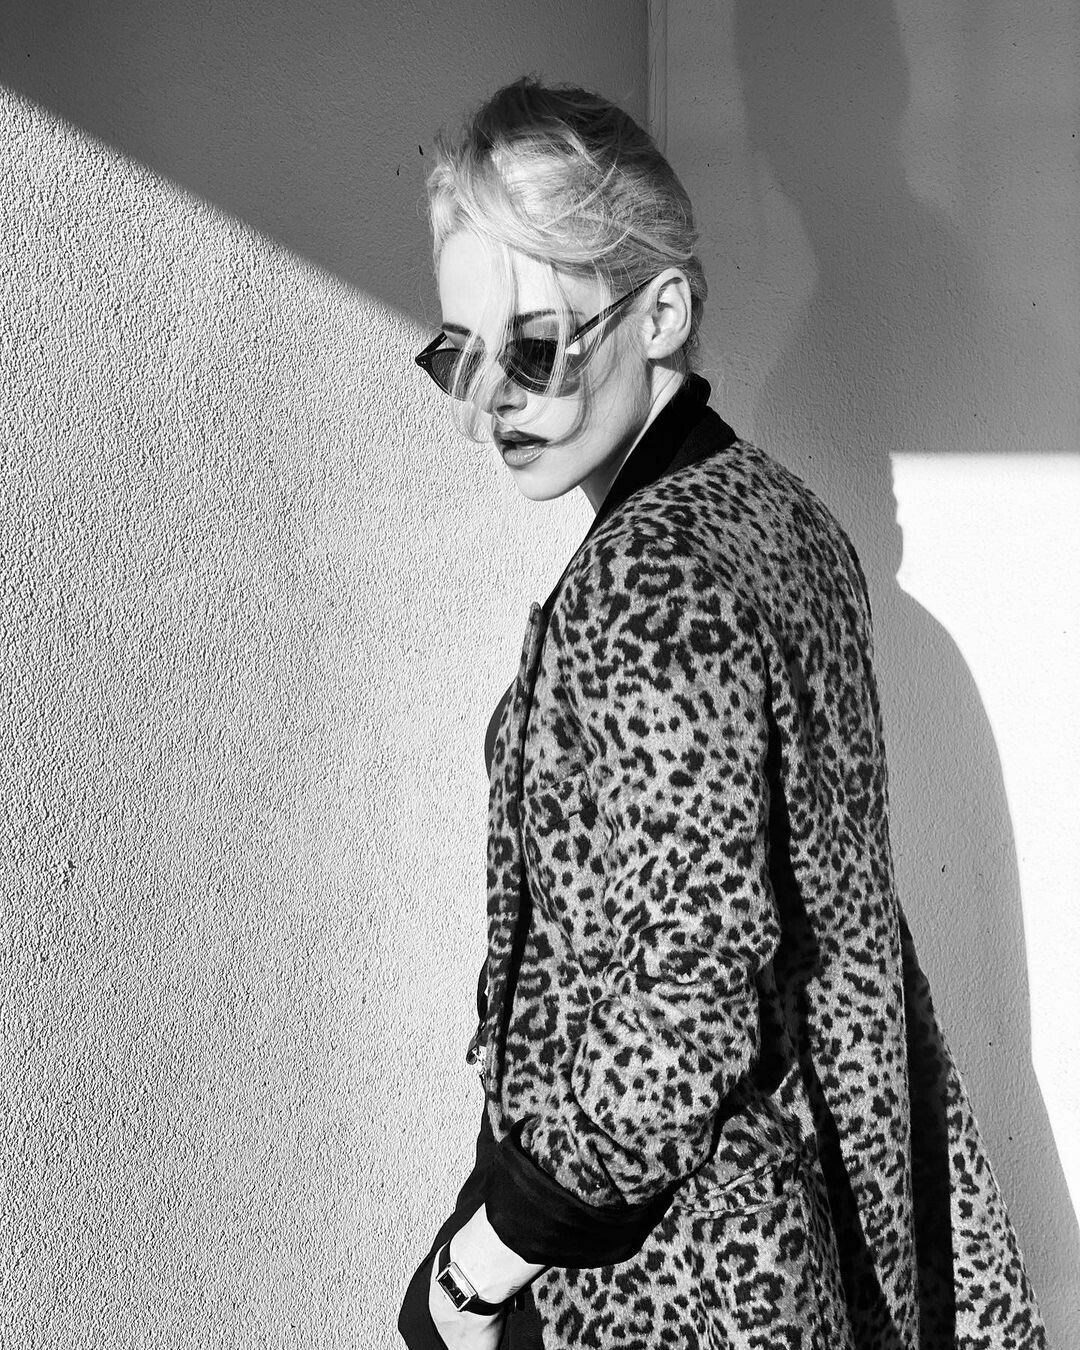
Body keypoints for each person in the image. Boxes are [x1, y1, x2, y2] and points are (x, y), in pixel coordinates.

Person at [399, 76, 1047, 1350]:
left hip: (673, 1271)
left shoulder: (650, 578)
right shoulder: (787, 518)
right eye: (457, 354)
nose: (491, 402)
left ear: (663, 313)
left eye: (534, 347)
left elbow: (687, 1000)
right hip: (806, 1219)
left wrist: (478, 1263)